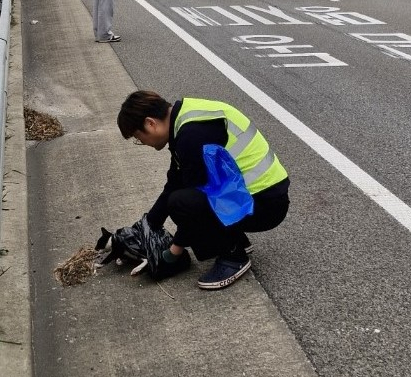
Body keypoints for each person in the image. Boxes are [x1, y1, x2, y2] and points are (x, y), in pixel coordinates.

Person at [117, 91, 290, 290]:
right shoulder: (185, 118)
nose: (143, 144)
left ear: (150, 123)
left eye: (139, 138)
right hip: (260, 196)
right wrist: (148, 225)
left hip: (265, 206)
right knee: (182, 195)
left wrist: (172, 254)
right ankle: (236, 238)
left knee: (182, 203)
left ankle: (233, 256)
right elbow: (176, 180)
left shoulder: (191, 136)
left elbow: (195, 205)